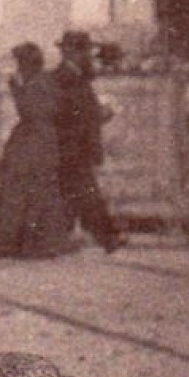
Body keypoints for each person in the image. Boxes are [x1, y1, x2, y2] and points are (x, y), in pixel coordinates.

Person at [0, 43, 70, 258]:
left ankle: (22, 244)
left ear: (26, 64)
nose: (17, 68)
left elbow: (29, 111)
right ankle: (35, 244)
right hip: (40, 143)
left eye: (19, 63)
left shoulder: (36, 84)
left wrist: (15, 88)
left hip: (34, 144)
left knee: (22, 192)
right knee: (37, 193)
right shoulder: (46, 81)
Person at [51, 30, 124, 253]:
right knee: (86, 193)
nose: (89, 56)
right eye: (85, 51)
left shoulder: (71, 75)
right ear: (73, 52)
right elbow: (73, 113)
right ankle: (107, 238)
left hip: (73, 145)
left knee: (73, 194)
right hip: (73, 146)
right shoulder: (66, 77)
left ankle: (60, 239)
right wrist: (102, 114)